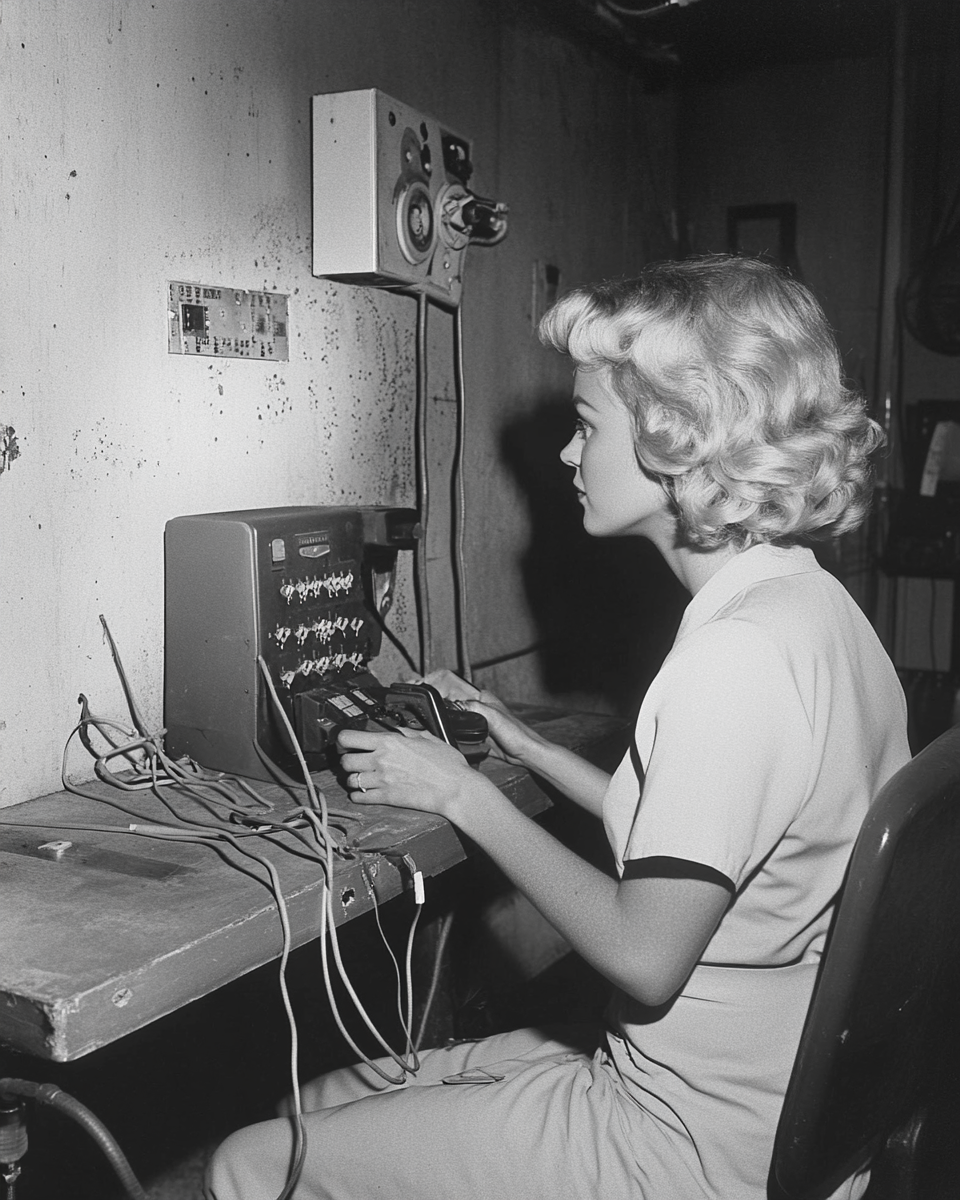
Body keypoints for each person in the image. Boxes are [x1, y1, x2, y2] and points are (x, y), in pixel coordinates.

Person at [206, 255, 910, 1200]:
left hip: (683, 1142)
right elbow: (708, 839)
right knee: (325, 1096)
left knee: (249, 1164)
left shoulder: (732, 663)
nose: (570, 457)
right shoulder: (817, 614)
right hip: (779, 1105)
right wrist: (520, 741)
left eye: (587, 427)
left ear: (680, 436)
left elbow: (644, 956)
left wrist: (461, 794)